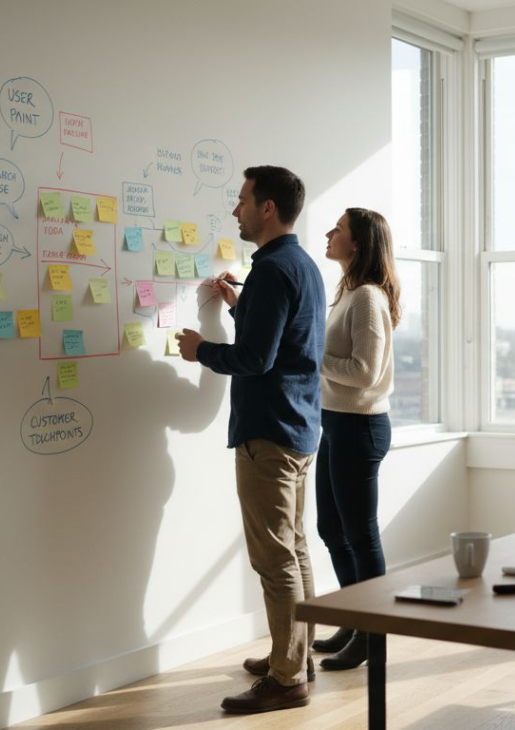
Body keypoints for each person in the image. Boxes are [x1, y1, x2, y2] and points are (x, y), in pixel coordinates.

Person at [176, 166, 325, 713]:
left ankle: (288, 679)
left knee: (275, 558)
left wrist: (201, 351)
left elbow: (254, 359)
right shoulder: (301, 265)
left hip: (270, 432)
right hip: (298, 426)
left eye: (242, 201)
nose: (235, 210)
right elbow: (283, 341)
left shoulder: (271, 269)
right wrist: (243, 307)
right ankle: (297, 655)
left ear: (267, 208)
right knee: (295, 549)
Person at [311, 208, 401, 671]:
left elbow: (364, 374)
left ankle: (373, 634)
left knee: (360, 535)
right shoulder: (347, 291)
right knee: (332, 529)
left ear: (359, 243)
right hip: (337, 423)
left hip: (360, 427)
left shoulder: (367, 297)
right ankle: (355, 617)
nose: (328, 234)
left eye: (338, 229)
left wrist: (312, 358)